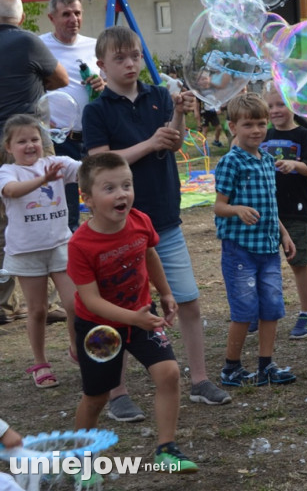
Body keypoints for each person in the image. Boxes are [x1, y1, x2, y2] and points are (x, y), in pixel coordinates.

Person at [83, 25, 230, 417]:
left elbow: (173, 143)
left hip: (163, 217)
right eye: (120, 58)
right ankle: (117, 393)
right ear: (102, 65)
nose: (130, 63)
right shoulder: (96, 110)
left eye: (134, 55)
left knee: (188, 301)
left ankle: (199, 379)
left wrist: (178, 116)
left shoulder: (157, 96)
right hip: (118, 226)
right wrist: (150, 142)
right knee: (119, 309)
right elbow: (100, 165)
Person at [68, 152, 198, 475]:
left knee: (168, 373)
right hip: (98, 327)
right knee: (96, 398)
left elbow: (149, 253)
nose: (121, 193)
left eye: (126, 185)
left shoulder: (140, 221)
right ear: (87, 200)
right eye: (109, 188)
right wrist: (135, 319)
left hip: (142, 315)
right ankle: (82, 460)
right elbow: (91, 300)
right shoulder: (81, 244)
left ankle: (166, 449)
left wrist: (166, 293)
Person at [214, 92, 297, 386]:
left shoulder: (267, 161)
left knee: (272, 306)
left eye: (261, 124)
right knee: (244, 310)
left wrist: (284, 235)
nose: (256, 131)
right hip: (240, 250)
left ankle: (266, 365)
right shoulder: (231, 162)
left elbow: (271, 206)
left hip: (268, 248)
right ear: (233, 127)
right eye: (248, 124)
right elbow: (218, 206)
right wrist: (236, 210)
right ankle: (231, 367)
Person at [0, 0, 69, 326]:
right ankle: (51, 300)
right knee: (46, 209)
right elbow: (62, 79)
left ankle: (4, 303)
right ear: (22, 17)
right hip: (31, 138)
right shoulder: (27, 41)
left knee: (4, 222)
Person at [0, 114, 79, 388]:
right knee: (37, 310)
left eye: (34, 139)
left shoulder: (56, 163)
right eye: (22, 141)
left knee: (75, 304)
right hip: (27, 252)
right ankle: (41, 363)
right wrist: (42, 180)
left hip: (60, 245)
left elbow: (87, 169)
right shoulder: (8, 171)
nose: (30, 145)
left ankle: (76, 348)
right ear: (9, 147)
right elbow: (11, 191)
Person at [40, 0, 105, 234]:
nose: (73, 19)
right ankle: (69, 256)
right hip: (57, 137)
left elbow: (112, 86)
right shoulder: (39, 45)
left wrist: (103, 85)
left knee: (101, 191)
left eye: (77, 13)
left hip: (93, 135)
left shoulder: (95, 45)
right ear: (52, 17)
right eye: (66, 14)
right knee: (66, 205)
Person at [263, 83, 307, 339]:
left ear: (293, 105)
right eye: (271, 106)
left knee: (298, 262)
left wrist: (294, 164)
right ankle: (262, 311)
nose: (275, 110)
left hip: (296, 209)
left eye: (281, 104)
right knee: (264, 262)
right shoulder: (261, 135)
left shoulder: (303, 135)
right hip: (267, 211)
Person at [194, 73, 228, 147]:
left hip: (213, 112)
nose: (204, 81)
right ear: (198, 82)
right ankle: (204, 146)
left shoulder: (213, 89)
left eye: (205, 79)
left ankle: (216, 140)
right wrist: (196, 112)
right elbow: (197, 103)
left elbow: (217, 98)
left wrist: (218, 108)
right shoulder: (199, 91)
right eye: (202, 79)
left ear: (209, 79)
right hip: (204, 113)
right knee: (205, 130)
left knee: (219, 128)